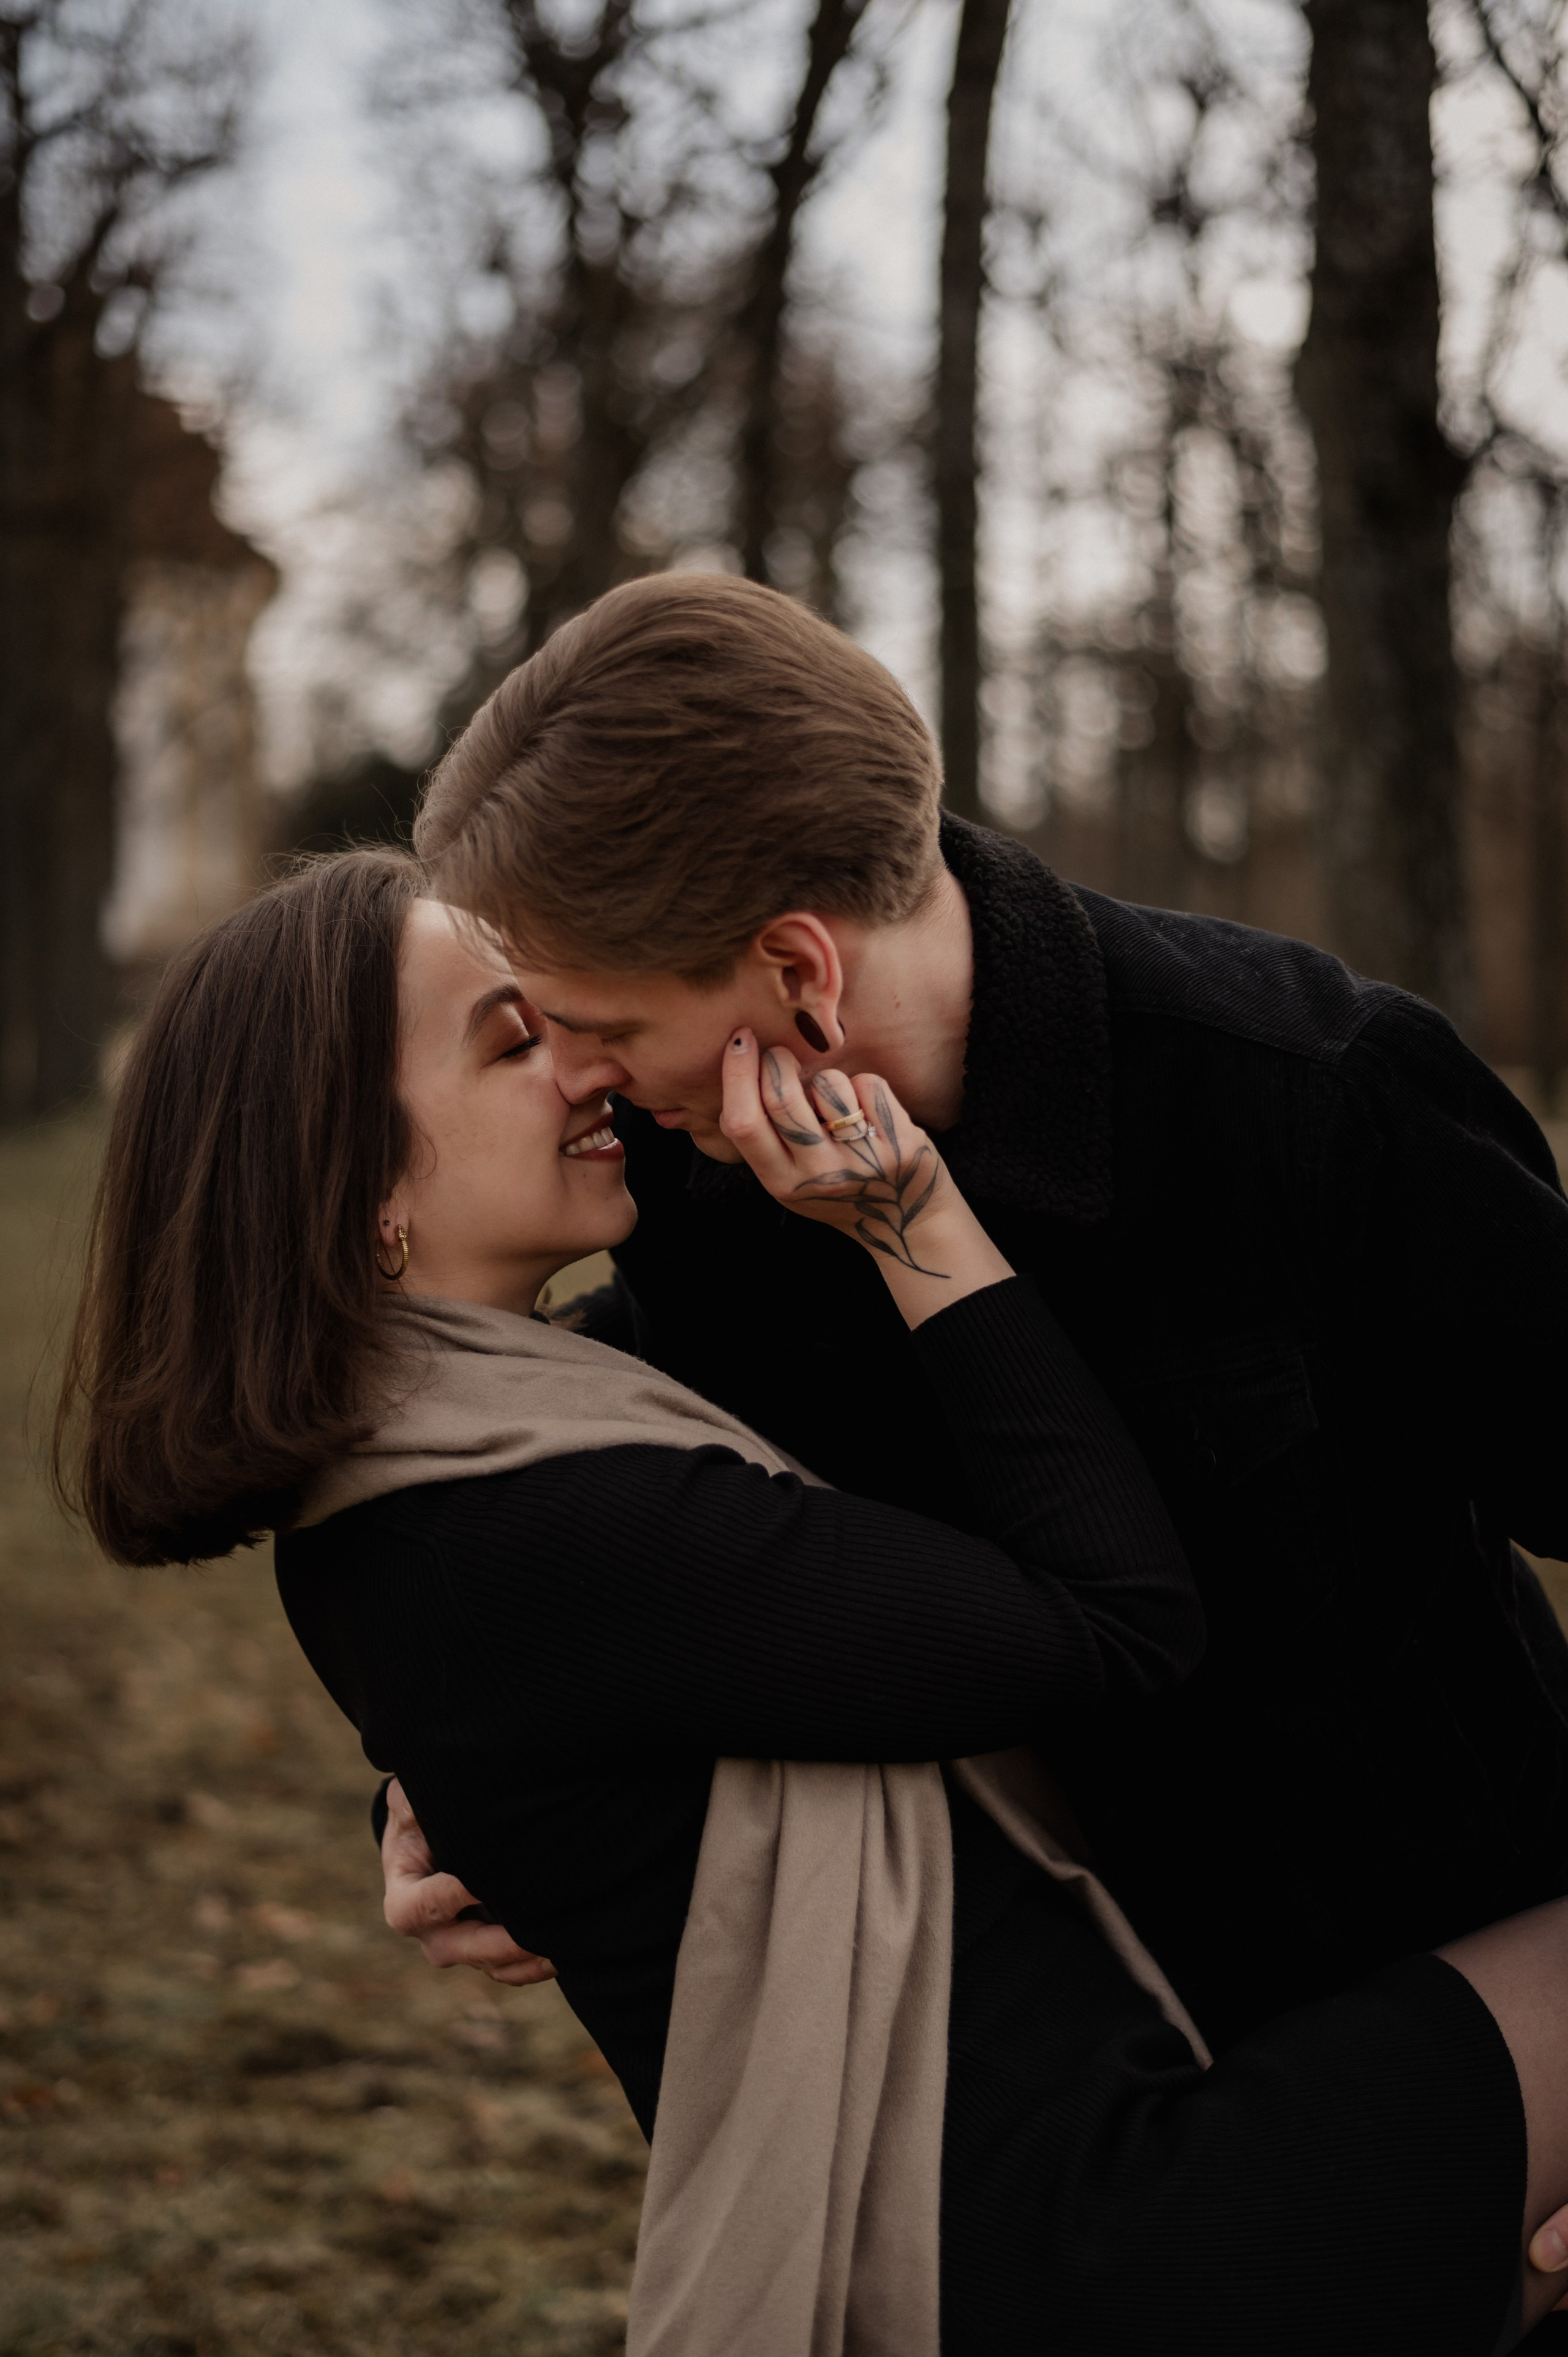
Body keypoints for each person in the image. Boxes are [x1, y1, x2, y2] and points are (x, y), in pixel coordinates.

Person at [53, 850, 1568, 2351]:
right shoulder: (541, 1502)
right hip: (1103, 2235)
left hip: (1027, 2206)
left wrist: (476, 1800)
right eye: (515, 1041)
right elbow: (1108, 1618)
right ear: (359, 1190)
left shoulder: (443, 1461)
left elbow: (599, 1667)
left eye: (574, 1019)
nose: (585, 1070)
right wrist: (922, 1227)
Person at [403, 569, 1568, 2062]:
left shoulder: (1310, 1093)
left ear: (798, 970)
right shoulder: (693, 1191)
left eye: (608, 1025)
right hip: (1045, 2081)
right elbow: (627, 1525)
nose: (580, 1074)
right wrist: (441, 1792)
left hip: (1461, 2002)